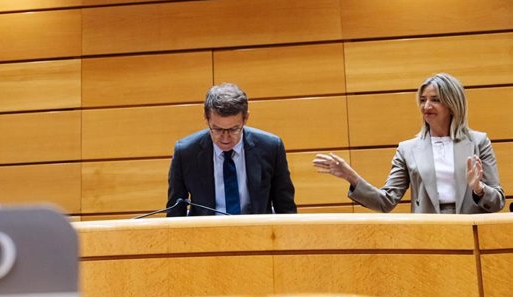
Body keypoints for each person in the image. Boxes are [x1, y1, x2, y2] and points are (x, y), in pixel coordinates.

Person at [313, 73, 504, 214]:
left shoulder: (479, 142)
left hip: (472, 230)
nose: (426, 106)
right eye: (423, 100)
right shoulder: (408, 149)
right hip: (427, 233)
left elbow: (497, 202)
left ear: (453, 104)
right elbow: (385, 202)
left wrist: (479, 189)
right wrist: (352, 177)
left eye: (435, 100)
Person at [167, 83, 296, 216]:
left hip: (257, 232)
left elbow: (285, 207)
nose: (225, 138)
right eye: (217, 129)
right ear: (206, 119)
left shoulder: (271, 147)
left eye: (234, 129)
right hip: (206, 233)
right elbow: (175, 211)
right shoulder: (186, 152)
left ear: (246, 118)